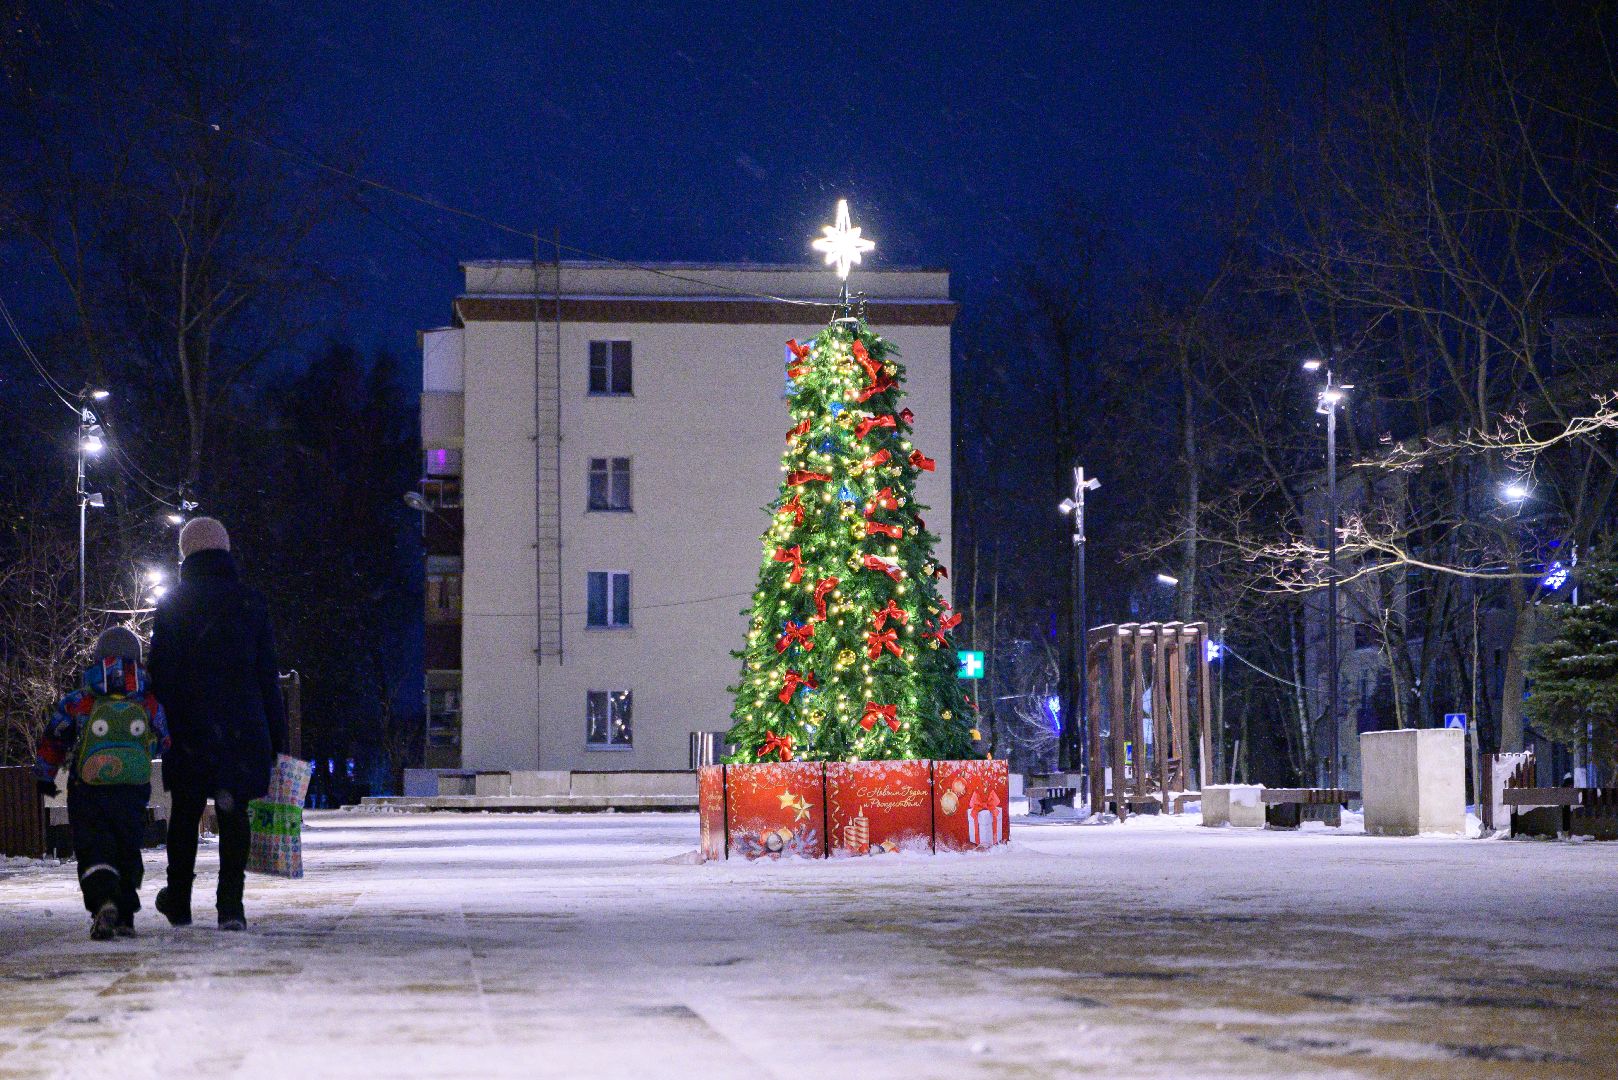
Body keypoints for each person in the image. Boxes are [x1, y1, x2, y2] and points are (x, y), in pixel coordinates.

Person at [149, 517, 286, 931]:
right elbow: (268, 676)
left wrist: (161, 729)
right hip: (241, 727)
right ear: (225, 552)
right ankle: (231, 907)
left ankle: (180, 902)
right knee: (233, 812)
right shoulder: (251, 602)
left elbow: (160, 674)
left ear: (185, 553)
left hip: (188, 728)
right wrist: (273, 737)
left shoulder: (172, 604)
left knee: (186, 812)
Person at [34, 626, 170, 940]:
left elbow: (55, 738)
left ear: (99, 657)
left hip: (88, 789)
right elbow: (165, 740)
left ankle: (103, 900)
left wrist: (45, 776)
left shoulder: (81, 700)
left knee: (93, 845)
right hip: (132, 791)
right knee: (126, 846)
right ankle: (125, 916)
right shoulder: (147, 700)